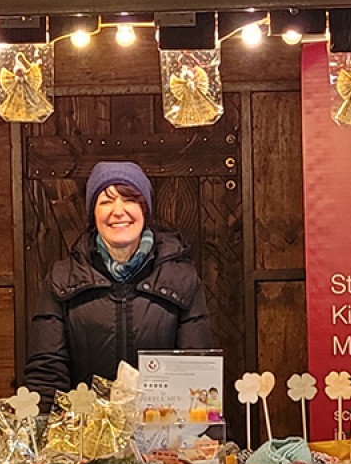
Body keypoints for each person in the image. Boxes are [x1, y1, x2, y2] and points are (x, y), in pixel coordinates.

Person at [23, 161, 213, 397]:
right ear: (93, 213)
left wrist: (199, 430)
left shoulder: (182, 279)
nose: (118, 210)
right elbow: (46, 373)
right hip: (86, 430)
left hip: (160, 428)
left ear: (144, 209)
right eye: (106, 201)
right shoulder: (61, 279)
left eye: (130, 199)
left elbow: (196, 373)